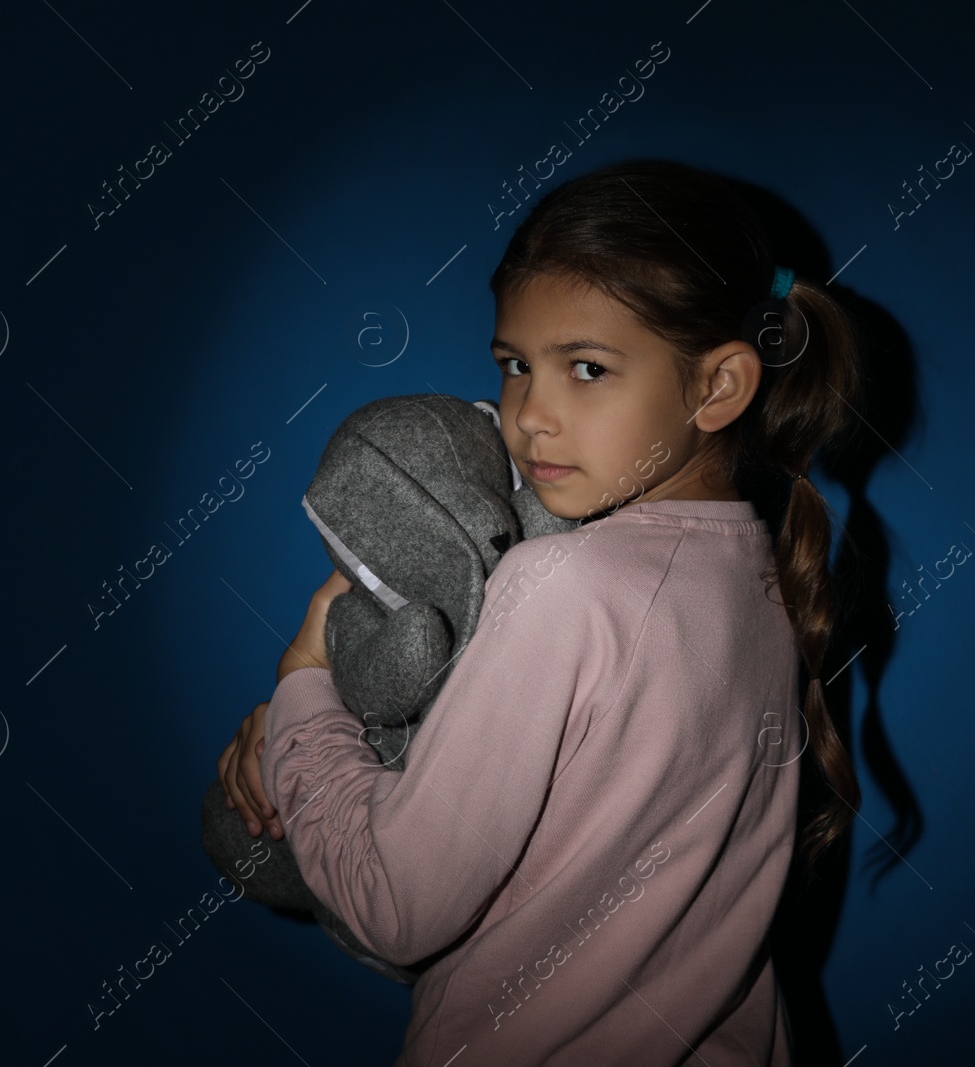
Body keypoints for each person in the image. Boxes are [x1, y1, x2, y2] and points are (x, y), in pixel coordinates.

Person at [216, 158, 862, 1064]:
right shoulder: (761, 581)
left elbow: (395, 911)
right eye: (516, 365)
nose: (531, 416)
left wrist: (301, 697)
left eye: (587, 368)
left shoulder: (562, 584)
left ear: (719, 386)